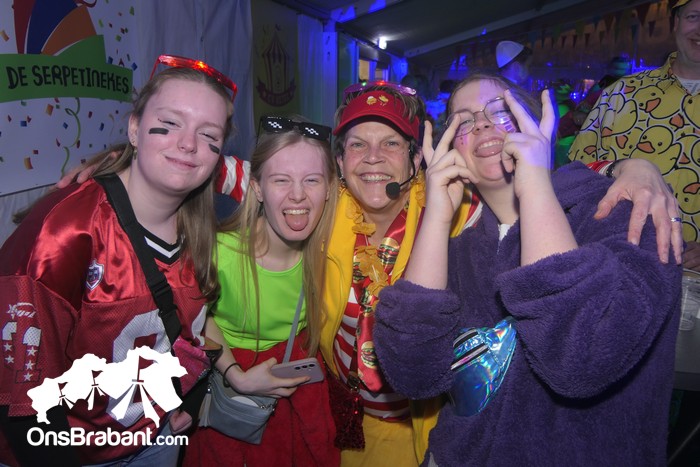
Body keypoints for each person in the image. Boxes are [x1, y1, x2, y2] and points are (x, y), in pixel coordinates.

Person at [58, 80, 684, 466]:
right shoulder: (322, 203)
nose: (373, 158)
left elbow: (520, 181)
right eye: (357, 143)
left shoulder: (455, 210)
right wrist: (116, 164)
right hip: (342, 416)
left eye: (391, 143)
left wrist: (631, 168)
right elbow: (212, 166)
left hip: (425, 422)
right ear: (339, 163)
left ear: (418, 158)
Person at [373, 72, 682, 466]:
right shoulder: (460, 252)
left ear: (537, 124)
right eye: (464, 121)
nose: (481, 124)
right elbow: (413, 374)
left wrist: (534, 181)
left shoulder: (627, 214)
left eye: (499, 111)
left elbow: (582, 358)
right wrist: (436, 214)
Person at [0, 56, 236, 466]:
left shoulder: (198, 229)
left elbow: (182, 334)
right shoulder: (66, 232)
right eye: (170, 122)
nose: (188, 143)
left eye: (208, 134)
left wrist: (183, 400)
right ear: (134, 128)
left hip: (155, 441)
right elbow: (24, 396)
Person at [182, 115, 340, 466]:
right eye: (281, 179)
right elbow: (196, 318)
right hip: (234, 406)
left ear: (330, 187)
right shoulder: (220, 253)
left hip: (301, 405)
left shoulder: (333, 254)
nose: (297, 194)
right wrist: (236, 375)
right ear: (256, 187)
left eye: (312, 180)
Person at [569, 0, 700, 272]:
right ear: (676, 23)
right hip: (620, 269)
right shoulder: (620, 94)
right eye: (694, 16)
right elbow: (575, 176)